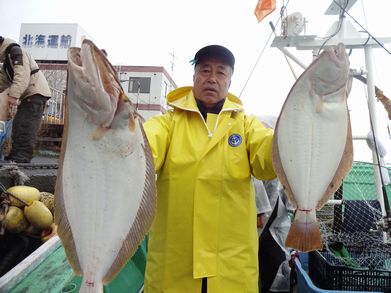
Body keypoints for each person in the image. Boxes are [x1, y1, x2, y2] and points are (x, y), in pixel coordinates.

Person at [143, 44, 276, 293]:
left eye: (221, 72)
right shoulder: (167, 124)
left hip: (231, 271)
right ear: (194, 77)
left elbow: (270, 160)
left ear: (229, 81)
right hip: (174, 270)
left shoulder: (247, 127)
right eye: (205, 70)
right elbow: (141, 152)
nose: (212, 79)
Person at [0, 36, 51, 163]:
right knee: (19, 125)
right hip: (31, 94)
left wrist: (13, 95)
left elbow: (22, 77)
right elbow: (3, 81)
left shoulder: (16, 52)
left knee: (26, 124)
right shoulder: (8, 59)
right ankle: (16, 155)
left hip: (36, 93)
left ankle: (22, 156)